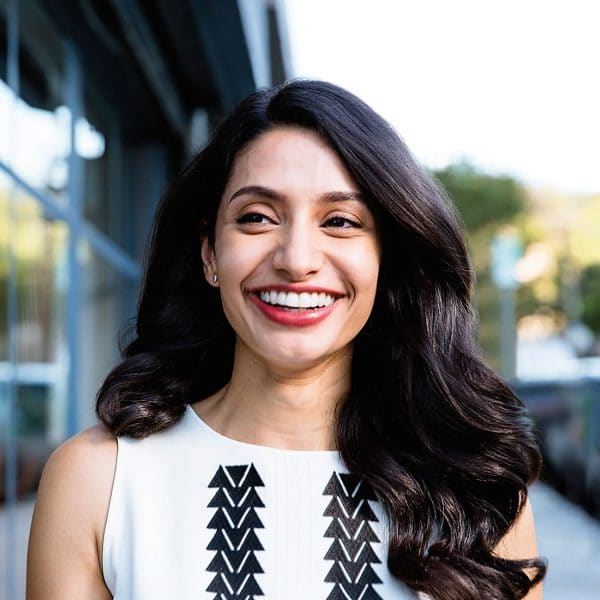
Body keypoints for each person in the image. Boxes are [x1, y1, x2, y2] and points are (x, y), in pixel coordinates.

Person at [26, 79, 546, 600]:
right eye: (257, 218)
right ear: (210, 252)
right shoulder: (101, 482)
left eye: (340, 221)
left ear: (386, 260)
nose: (297, 260)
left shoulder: (476, 495)